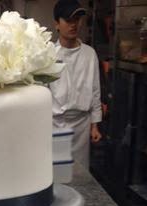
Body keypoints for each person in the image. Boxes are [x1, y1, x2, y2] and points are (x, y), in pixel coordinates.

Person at [50, 0, 102, 170]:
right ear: (57, 24)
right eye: (68, 20)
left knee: (81, 173)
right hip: (56, 123)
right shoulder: (48, 55)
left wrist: (95, 124)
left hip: (82, 124)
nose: (73, 25)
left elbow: (95, 90)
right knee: (59, 171)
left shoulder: (89, 53)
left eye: (77, 19)